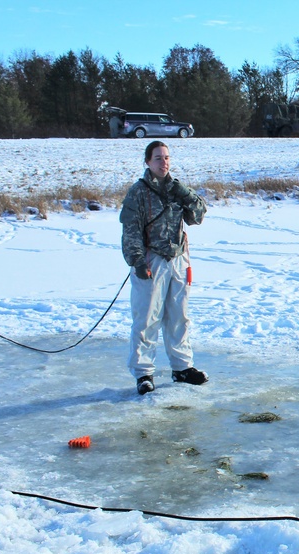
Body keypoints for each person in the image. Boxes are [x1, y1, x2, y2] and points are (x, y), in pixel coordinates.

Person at [120, 141, 209, 396]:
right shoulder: (138, 192)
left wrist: (185, 194)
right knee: (147, 317)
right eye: (158, 158)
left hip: (178, 259)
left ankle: (182, 367)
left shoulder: (176, 189)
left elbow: (199, 215)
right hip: (151, 260)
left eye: (167, 157)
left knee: (178, 316)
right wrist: (137, 261)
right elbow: (130, 230)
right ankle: (143, 372)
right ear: (148, 162)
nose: (164, 162)